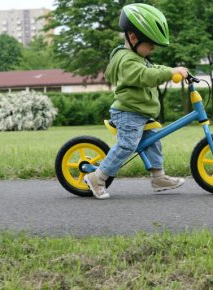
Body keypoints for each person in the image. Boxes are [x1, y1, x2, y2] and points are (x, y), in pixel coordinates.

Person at [84, 3, 189, 199]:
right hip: (128, 113)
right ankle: (97, 177)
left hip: (140, 113)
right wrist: (170, 73)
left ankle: (158, 177)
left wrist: (174, 70)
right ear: (133, 38)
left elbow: (153, 68)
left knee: (154, 141)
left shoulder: (136, 57)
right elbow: (146, 75)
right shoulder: (128, 61)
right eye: (150, 44)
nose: (152, 49)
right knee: (127, 145)